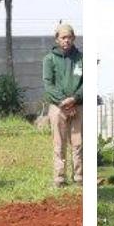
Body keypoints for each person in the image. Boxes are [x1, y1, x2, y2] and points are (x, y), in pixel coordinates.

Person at [42, 23, 83, 187]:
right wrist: (63, 102)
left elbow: (85, 83)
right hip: (57, 108)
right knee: (59, 143)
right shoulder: (49, 59)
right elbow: (48, 84)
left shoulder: (81, 59)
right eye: (63, 37)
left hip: (78, 106)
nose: (66, 40)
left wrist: (75, 98)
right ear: (57, 39)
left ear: (74, 38)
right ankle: (59, 178)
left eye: (69, 37)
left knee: (78, 143)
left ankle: (79, 177)